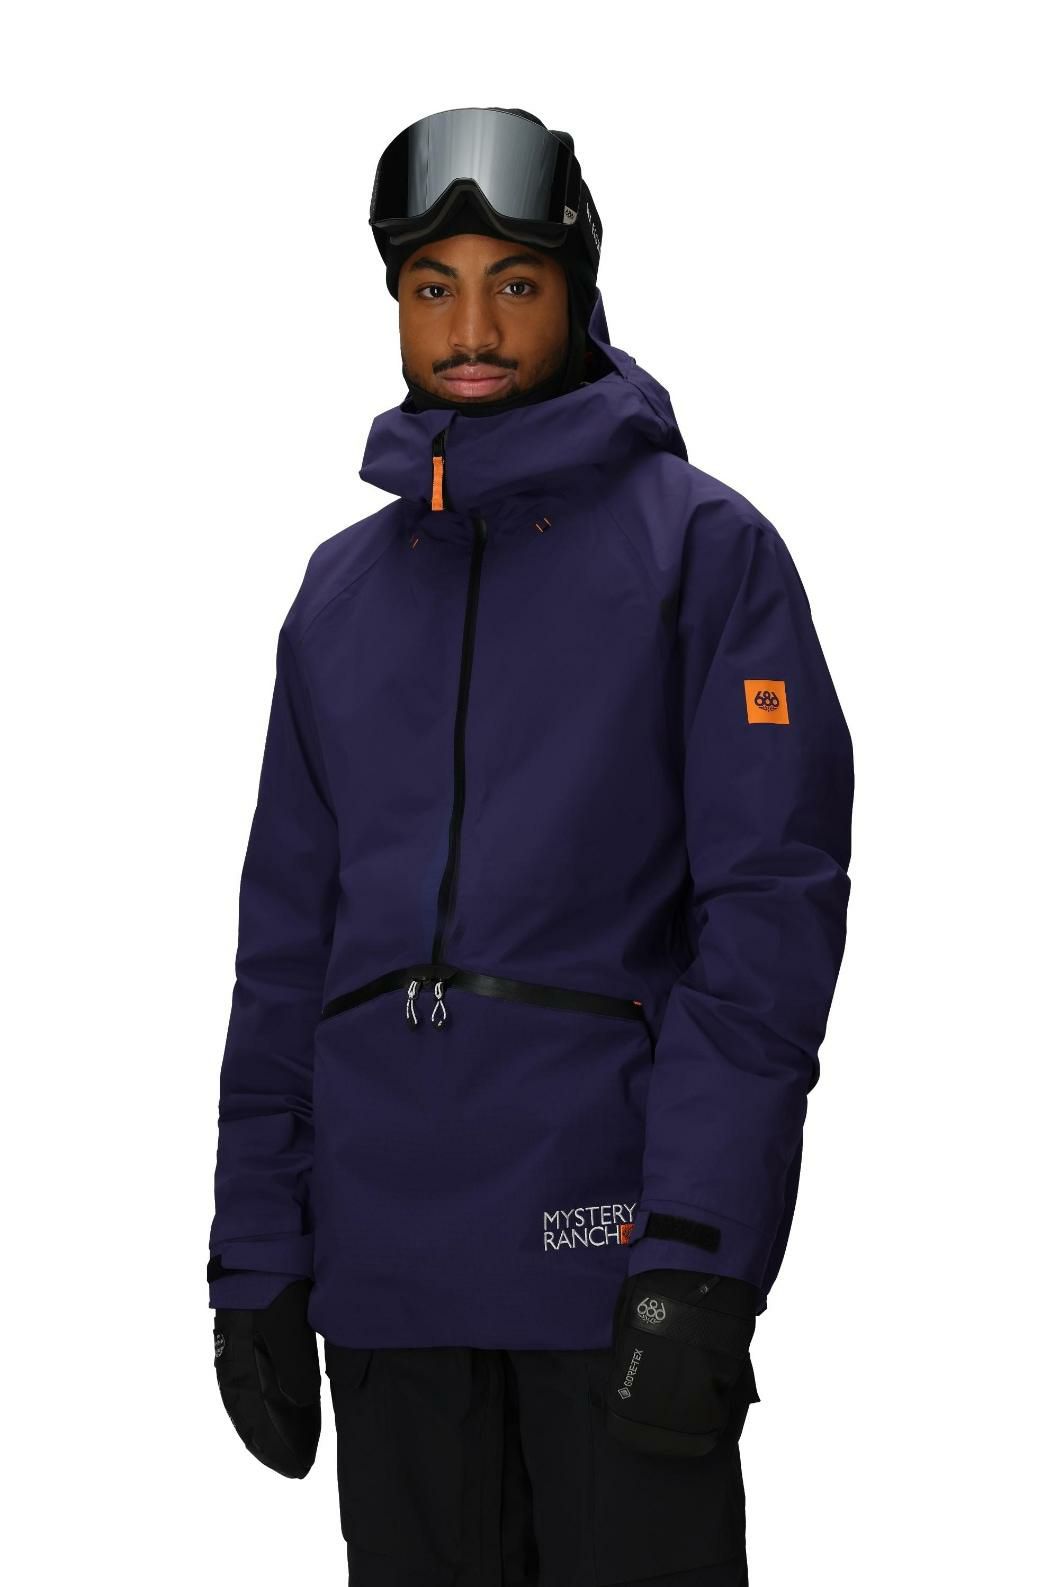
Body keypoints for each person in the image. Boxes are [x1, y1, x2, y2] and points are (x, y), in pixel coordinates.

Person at [207, 106, 855, 1586]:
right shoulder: (336, 600)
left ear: (577, 289)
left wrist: (699, 1255)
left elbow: (768, 918)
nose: (473, 328)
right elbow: (285, 954)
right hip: (389, 1288)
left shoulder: (703, 552)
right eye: (432, 287)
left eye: (515, 282)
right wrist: (256, 1258)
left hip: (612, 1275)